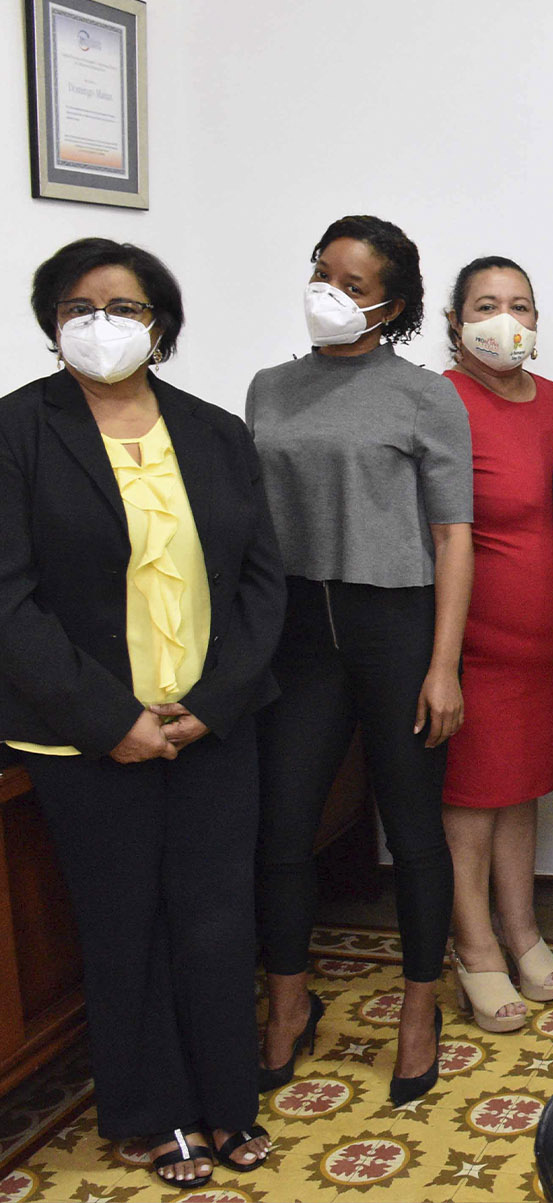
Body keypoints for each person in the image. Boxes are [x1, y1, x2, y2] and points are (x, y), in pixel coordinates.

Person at [0, 239, 284, 1186]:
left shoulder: (212, 431)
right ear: (51, 321)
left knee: (214, 915)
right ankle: (148, 1112)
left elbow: (258, 581)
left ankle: (226, 1102)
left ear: (159, 324)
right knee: (124, 921)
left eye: (124, 307)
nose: (102, 323)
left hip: (211, 724)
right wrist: (108, 717)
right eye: (81, 306)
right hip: (83, 734)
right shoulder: (16, 431)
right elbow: (10, 599)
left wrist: (212, 702)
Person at [248, 215, 473, 1105]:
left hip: (396, 624)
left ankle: (420, 1012)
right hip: (297, 627)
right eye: (320, 274)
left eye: (351, 283)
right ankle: (287, 1002)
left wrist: (444, 663)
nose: (329, 295)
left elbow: (455, 535)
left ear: (394, 303)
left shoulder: (425, 396)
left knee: (413, 831)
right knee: (283, 825)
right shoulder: (268, 388)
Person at [441, 256, 553, 1033]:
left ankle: (523, 927)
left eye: (520, 303)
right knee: (469, 802)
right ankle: (476, 945)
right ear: (456, 323)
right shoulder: (442, 400)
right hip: (474, 647)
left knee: (522, 790)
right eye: (486, 304)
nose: (506, 318)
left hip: (549, 645)